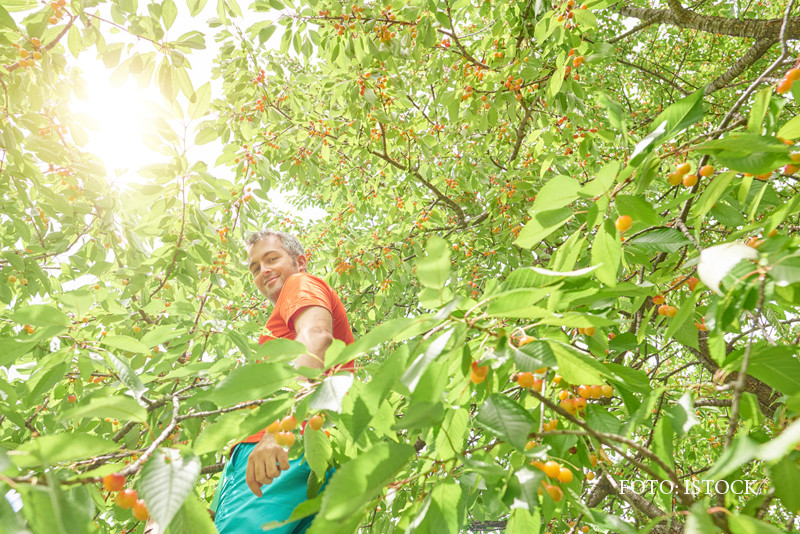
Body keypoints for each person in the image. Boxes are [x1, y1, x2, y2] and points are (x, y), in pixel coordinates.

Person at [211, 230, 355, 534]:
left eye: (272, 258)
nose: (263, 270)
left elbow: (317, 337)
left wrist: (278, 428)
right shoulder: (283, 323)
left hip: (285, 449)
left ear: (300, 262)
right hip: (317, 456)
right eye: (254, 268)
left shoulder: (300, 284)